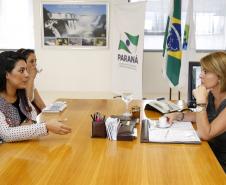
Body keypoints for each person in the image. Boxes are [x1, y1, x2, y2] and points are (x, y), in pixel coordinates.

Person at [165, 51, 226, 172]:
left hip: (221, 166)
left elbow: (205, 134)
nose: (200, 75)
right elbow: (199, 115)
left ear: (220, 76)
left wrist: (201, 101)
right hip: (210, 154)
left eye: (206, 72)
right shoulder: (212, 94)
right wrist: (178, 115)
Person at [0, 51, 71, 142]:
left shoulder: (21, 95)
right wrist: (46, 126)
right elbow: (7, 134)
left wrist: (25, 127)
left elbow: (33, 118)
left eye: (26, 70)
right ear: (7, 74)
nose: (27, 74)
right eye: (21, 71)